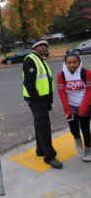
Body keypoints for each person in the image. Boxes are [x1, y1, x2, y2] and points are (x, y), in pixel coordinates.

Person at [23, 37, 63, 169]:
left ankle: (40, 150)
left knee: (39, 124)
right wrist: (38, 100)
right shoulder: (31, 59)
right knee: (44, 126)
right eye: (40, 45)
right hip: (36, 99)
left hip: (42, 98)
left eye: (45, 45)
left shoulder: (41, 60)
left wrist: (48, 100)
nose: (43, 47)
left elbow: (46, 82)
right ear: (34, 47)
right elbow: (28, 83)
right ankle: (50, 156)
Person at [57, 53, 91, 161]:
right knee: (73, 128)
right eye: (69, 63)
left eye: (75, 62)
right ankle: (77, 139)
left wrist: (83, 107)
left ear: (79, 62)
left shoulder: (86, 73)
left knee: (85, 129)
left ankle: (88, 151)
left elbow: (90, 91)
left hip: (86, 106)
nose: (72, 65)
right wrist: (67, 109)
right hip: (71, 106)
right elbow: (62, 93)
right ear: (65, 63)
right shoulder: (61, 75)